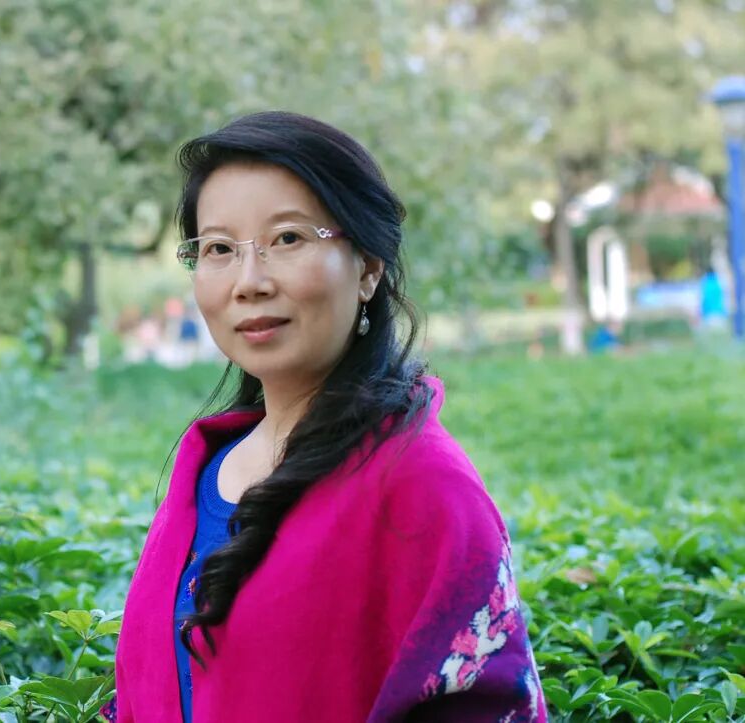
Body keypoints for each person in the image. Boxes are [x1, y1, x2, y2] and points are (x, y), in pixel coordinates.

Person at [102, 111, 547, 722]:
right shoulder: (205, 474)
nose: (249, 282)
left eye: (288, 239)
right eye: (219, 249)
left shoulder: (420, 484)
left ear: (368, 267)